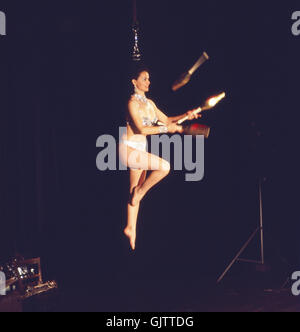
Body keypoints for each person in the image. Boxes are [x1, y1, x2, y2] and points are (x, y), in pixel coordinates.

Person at [119, 68, 199, 250]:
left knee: (134, 191)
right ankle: (140, 194)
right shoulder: (132, 103)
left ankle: (130, 228)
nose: (148, 82)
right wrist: (166, 129)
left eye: (149, 79)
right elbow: (141, 129)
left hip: (139, 150)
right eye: (145, 79)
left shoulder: (150, 104)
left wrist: (187, 115)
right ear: (134, 82)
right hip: (128, 149)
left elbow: (167, 120)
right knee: (164, 167)